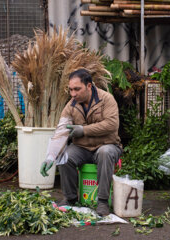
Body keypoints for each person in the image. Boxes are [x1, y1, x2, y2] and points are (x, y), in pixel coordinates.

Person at [40, 69, 122, 216]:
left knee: (105, 152)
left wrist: (83, 130)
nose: (73, 94)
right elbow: (61, 132)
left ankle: (102, 201)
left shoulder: (106, 99)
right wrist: (50, 157)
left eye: (77, 89)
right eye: (71, 90)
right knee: (65, 157)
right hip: (82, 148)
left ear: (89, 86)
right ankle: (70, 198)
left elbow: (112, 124)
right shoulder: (71, 106)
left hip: (107, 145)